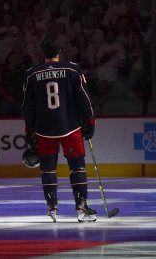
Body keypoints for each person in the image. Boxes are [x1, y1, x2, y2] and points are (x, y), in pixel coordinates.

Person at [21, 38, 97, 223]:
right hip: (70, 126)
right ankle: (81, 206)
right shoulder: (73, 69)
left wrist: (29, 129)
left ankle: (51, 206)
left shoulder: (31, 74)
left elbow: (27, 106)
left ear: (42, 52)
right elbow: (84, 98)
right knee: (77, 165)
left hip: (43, 128)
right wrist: (90, 120)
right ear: (60, 50)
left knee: (47, 167)